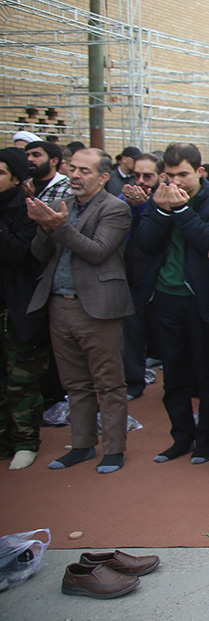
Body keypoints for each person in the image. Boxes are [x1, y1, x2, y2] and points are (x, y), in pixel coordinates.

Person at [27, 148, 133, 473]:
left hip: (98, 308)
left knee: (109, 383)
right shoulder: (64, 205)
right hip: (59, 303)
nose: (74, 175)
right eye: (72, 168)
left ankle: (114, 449)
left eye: (84, 171)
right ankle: (82, 444)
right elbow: (39, 253)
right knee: (74, 383)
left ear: (103, 177)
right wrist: (45, 226)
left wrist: (57, 226)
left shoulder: (115, 208)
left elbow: (98, 251)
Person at [137, 143, 209, 465]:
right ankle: (181, 437)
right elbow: (145, 243)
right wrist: (163, 211)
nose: (175, 182)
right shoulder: (158, 200)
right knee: (173, 375)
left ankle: (205, 440)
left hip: (201, 301)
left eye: (183, 175)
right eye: (170, 175)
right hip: (164, 298)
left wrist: (180, 211)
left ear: (200, 172)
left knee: (207, 375)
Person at [0, 148, 49, 470]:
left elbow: (19, 253)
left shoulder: (29, 211)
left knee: (21, 382)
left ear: (16, 179)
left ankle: (25, 441)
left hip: (18, 311)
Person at [119, 153, 162, 400]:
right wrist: (132, 206)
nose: (141, 181)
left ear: (160, 177)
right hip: (132, 276)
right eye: (137, 176)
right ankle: (134, 382)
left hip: (160, 279)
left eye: (148, 176)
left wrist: (143, 206)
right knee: (132, 333)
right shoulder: (123, 199)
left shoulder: (165, 199)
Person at [25, 142, 71, 206]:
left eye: (36, 155)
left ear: (54, 161)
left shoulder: (68, 187)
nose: (29, 159)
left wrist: (32, 199)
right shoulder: (24, 184)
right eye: (27, 155)